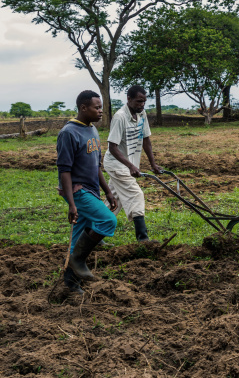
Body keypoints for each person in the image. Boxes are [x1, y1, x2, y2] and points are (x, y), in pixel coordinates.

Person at [57, 90, 118, 294]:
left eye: (101, 107)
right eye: (97, 107)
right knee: (108, 221)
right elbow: (64, 169)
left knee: (79, 235)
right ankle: (78, 260)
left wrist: (108, 191)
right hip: (78, 190)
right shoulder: (68, 133)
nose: (101, 111)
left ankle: (71, 285)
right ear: (84, 108)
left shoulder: (91, 129)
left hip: (91, 190)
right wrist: (72, 204)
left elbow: (96, 166)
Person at [103, 85, 162, 243]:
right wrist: (130, 166)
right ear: (128, 99)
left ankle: (92, 232)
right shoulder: (120, 117)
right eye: (138, 101)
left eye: (144, 101)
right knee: (136, 194)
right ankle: (143, 238)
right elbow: (112, 147)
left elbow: (146, 140)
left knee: (115, 199)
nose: (142, 105)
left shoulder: (142, 114)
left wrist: (153, 164)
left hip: (128, 164)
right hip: (116, 163)